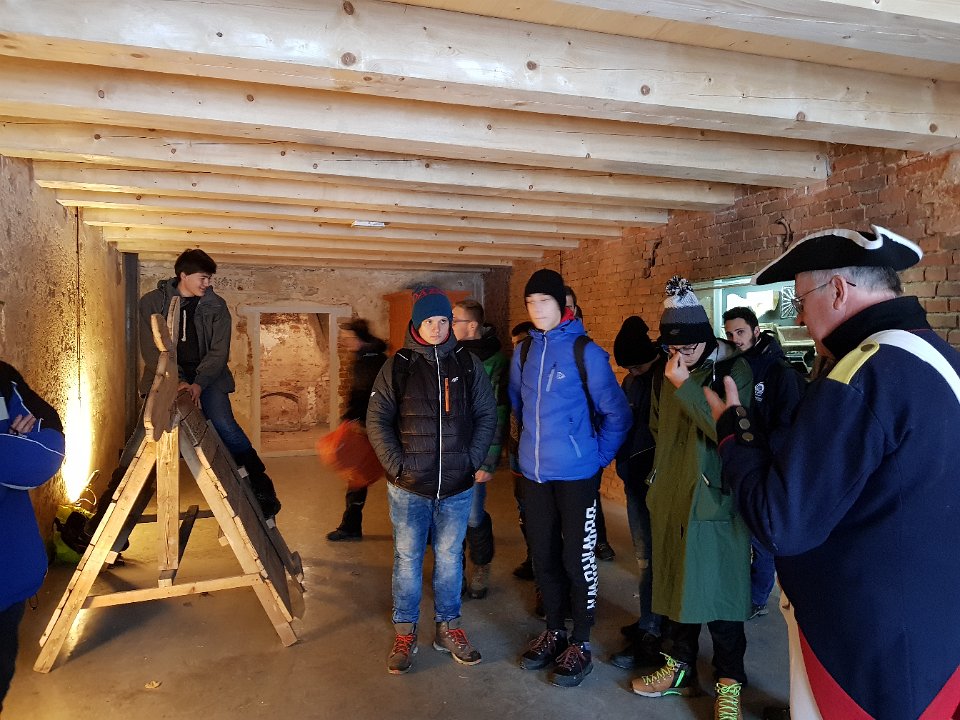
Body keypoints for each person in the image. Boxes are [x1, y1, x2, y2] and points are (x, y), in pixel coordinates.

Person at [705, 226, 960, 720]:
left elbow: (781, 523)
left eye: (800, 300)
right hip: (934, 626)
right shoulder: (944, 358)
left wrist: (734, 433)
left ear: (838, 290)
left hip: (861, 645)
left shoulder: (859, 375)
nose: (799, 317)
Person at [631, 276, 753, 720]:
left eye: (687, 347)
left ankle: (729, 683)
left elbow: (728, 432)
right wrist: (658, 481)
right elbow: (659, 429)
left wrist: (685, 386)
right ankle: (678, 668)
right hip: (672, 495)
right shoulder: (666, 373)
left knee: (722, 598)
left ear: (706, 338)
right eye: (672, 347)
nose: (679, 356)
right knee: (675, 589)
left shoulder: (734, 372)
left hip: (714, 499)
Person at [510, 269, 631, 687]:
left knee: (576, 558)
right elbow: (518, 404)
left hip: (577, 475)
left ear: (562, 305)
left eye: (544, 301)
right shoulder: (523, 352)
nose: (537, 309)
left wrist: (595, 458)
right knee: (543, 556)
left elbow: (617, 414)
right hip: (535, 475)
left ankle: (580, 640)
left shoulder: (587, 353)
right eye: (530, 303)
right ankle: (554, 630)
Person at [366, 285, 496, 675]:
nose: (437, 328)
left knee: (450, 559)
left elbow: (487, 414)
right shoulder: (399, 365)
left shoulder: (467, 364)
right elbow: (377, 420)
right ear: (416, 324)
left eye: (443, 320)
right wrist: (397, 466)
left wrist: (470, 460)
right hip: (409, 487)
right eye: (430, 321)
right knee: (407, 560)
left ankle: (447, 628)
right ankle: (405, 633)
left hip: (456, 486)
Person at [139, 249, 281, 518]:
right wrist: (178, 380)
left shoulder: (216, 306)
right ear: (183, 275)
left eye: (209, 278)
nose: (207, 284)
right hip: (165, 375)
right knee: (145, 432)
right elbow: (151, 348)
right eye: (202, 278)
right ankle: (112, 502)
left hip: (209, 376)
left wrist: (198, 384)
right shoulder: (152, 302)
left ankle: (261, 486)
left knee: (225, 425)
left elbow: (219, 352)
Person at [722, 306, 806, 619]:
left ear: (756, 331)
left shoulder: (779, 372)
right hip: (740, 459)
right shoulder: (734, 366)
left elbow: (787, 424)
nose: (735, 339)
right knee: (741, 534)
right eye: (730, 334)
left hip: (765, 464)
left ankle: (757, 598)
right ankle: (743, 592)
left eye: (740, 332)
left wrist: (767, 458)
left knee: (761, 540)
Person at [1, 361, 65, 713]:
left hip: (8, 575)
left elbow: (46, 451)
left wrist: (16, 448)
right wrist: (11, 443)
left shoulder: (3, 378)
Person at [607, 316, 665, 672]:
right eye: (627, 367)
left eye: (637, 365)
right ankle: (648, 620)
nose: (632, 372)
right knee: (644, 559)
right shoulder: (632, 381)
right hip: (634, 480)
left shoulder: (666, 379)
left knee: (657, 562)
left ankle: (655, 633)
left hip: (658, 485)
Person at [452, 299, 507, 599]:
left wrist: (488, 461)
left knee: (473, 515)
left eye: (454, 320)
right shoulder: (448, 354)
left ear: (472, 325)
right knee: (450, 515)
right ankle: (455, 570)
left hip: (476, 450)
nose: (449, 325)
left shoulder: (494, 360)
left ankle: (482, 564)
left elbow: (498, 411)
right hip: (450, 449)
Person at [563, 285, 616, 562]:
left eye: (570, 307)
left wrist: (601, 454)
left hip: (586, 442)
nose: (566, 313)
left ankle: (599, 542)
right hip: (557, 448)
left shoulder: (588, 353)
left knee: (589, 498)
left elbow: (614, 411)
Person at [326, 318, 388, 542]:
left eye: (348, 338)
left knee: (362, 476)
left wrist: (352, 417)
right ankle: (350, 526)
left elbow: (366, 394)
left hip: (377, 428)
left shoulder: (371, 362)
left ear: (360, 338)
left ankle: (350, 527)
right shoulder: (368, 358)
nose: (345, 343)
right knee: (359, 476)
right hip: (371, 426)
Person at [508, 320, 536, 581]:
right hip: (517, 451)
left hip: (538, 455)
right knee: (524, 508)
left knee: (541, 511)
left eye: (523, 344)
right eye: (515, 345)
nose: (518, 350)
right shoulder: (514, 373)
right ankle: (532, 557)